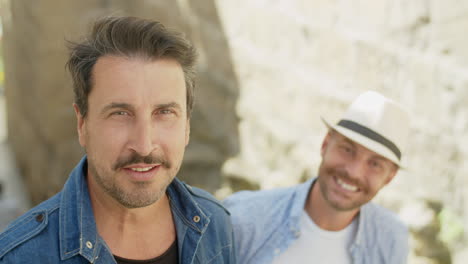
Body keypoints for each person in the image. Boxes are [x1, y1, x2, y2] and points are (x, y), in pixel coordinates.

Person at [0, 16, 235, 264]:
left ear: (187, 124)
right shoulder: (21, 257)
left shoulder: (215, 224)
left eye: (164, 112)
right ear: (82, 124)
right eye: (120, 114)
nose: (144, 145)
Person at [224, 91, 411, 264]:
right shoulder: (242, 218)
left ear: (389, 177)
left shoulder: (391, 237)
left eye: (375, 164)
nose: (354, 172)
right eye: (347, 149)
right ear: (325, 144)